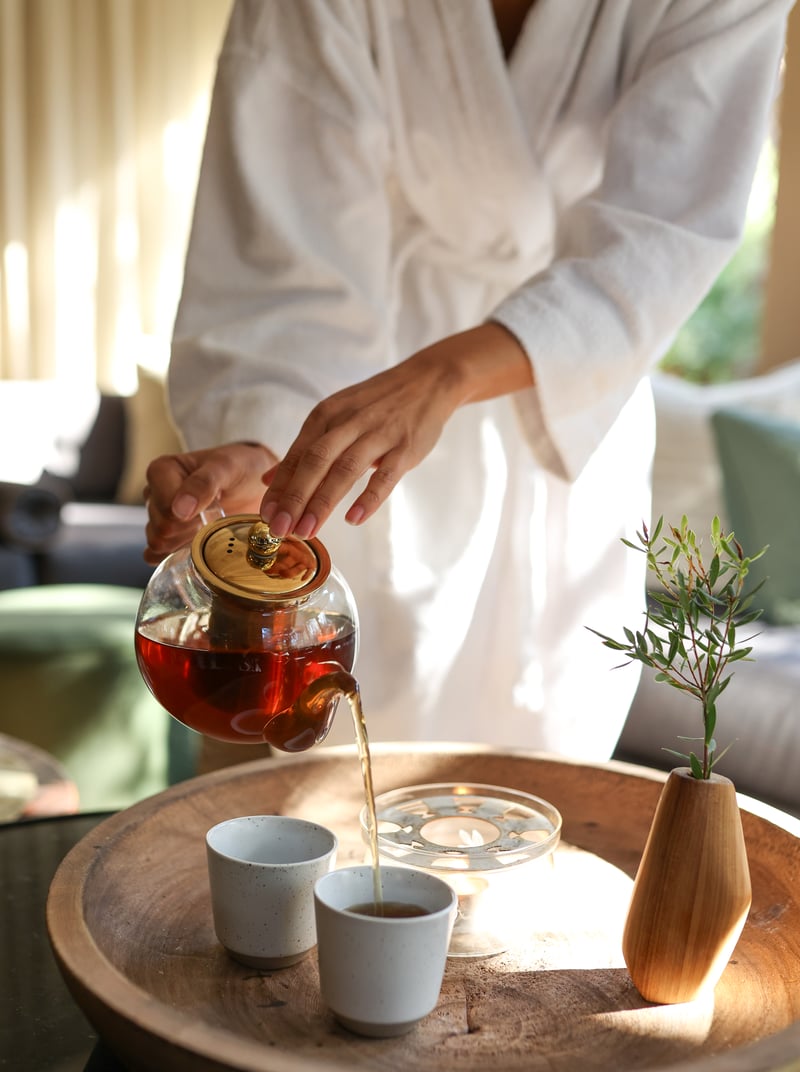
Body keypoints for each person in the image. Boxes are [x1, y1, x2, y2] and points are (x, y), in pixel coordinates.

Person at [144, 0, 792, 759]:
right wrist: (267, 443)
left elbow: (667, 231)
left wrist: (446, 375)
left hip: (573, 398)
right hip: (358, 423)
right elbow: (280, 260)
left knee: (543, 779)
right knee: (332, 780)